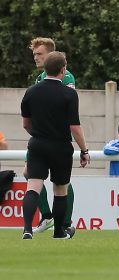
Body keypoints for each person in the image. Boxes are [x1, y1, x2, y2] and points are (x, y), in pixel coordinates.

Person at [20, 51, 90, 239]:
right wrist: (84, 150)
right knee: (60, 189)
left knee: (33, 187)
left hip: (37, 144)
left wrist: (37, 136)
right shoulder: (69, 94)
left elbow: (26, 123)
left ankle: (27, 229)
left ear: (44, 69)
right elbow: (74, 127)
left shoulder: (31, 91)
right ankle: (59, 232)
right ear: (63, 70)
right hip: (61, 146)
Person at [29, 37, 76, 234]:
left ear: (50, 55)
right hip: (41, 137)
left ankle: (63, 222)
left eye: (39, 54)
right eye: (34, 55)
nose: (36, 58)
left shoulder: (66, 77)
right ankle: (48, 216)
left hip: (57, 138)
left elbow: (68, 108)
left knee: (62, 182)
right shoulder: (39, 79)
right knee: (28, 173)